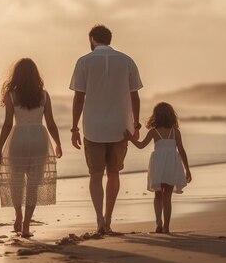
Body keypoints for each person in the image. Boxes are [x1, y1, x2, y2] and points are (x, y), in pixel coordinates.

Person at [69, 24, 143, 234]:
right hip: (121, 127)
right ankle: (109, 218)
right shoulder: (127, 60)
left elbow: (79, 97)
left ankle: (99, 219)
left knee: (95, 175)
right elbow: (134, 95)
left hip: (94, 127)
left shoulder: (84, 61)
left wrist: (74, 128)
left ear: (92, 39)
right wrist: (136, 124)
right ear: (109, 39)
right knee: (113, 173)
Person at [0, 58, 62, 238]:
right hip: (39, 139)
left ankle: (18, 214)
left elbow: (8, 124)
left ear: (16, 75)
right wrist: (58, 144)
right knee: (33, 184)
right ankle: (25, 226)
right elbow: (51, 124)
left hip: (18, 139)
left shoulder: (11, 95)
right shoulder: (44, 95)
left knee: (16, 181)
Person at [124, 102, 192, 233]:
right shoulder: (175, 132)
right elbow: (182, 151)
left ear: (156, 116)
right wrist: (187, 169)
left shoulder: (154, 132)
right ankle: (166, 226)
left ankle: (158, 223)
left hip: (158, 165)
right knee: (167, 197)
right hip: (172, 164)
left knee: (158, 196)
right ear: (172, 116)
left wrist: (130, 138)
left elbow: (141, 145)